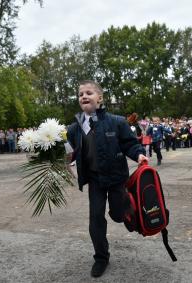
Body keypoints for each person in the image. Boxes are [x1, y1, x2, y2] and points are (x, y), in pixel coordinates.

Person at [67, 80, 148, 278]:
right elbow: (68, 151)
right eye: (80, 94)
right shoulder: (75, 128)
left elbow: (129, 144)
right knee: (95, 219)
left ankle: (125, 208)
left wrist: (139, 155)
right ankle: (101, 258)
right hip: (95, 180)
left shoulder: (117, 121)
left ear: (100, 98)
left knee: (119, 215)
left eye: (89, 93)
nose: (84, 96)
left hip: (116, 178)